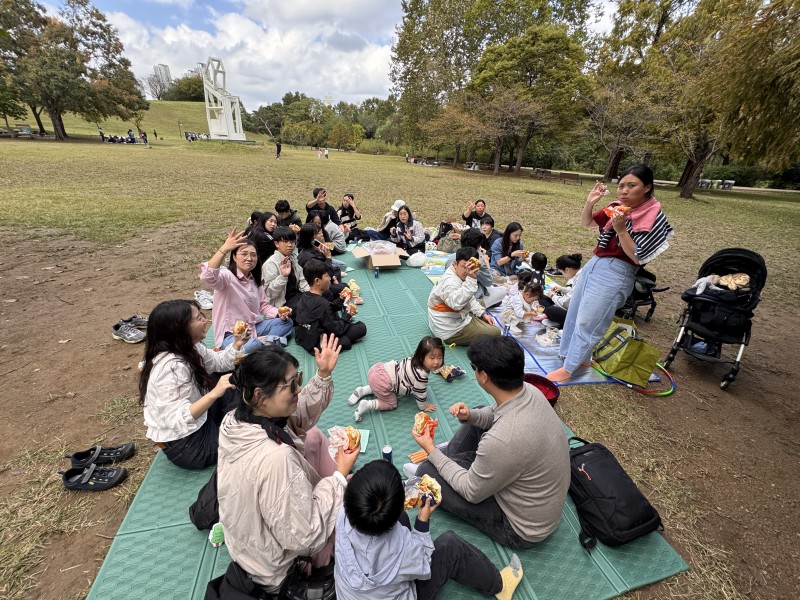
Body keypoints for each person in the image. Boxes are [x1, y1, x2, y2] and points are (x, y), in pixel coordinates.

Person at [213, 336, 361, 596]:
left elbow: (297, 414)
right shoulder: (275, 458)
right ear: (260, 395)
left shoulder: (237, 419)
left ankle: (341, 487)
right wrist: (339, 476)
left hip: (251, 537)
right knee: (359, 517)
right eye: (292, 386)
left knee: (312, 436)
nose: (298, 391)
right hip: (276, 568)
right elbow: (306, 537)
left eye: (299, 380)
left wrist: (323, 376)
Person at [411, 336, 570, 548]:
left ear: (484, 376)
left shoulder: (502, 439)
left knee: (426, 471)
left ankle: (448, 464)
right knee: (477, 415)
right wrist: (470, 416)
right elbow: (495, 414)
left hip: (521, 527)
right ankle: (451, 463)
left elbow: (471, 491)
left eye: (474, 368)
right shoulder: (530, 391)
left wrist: (430, 449)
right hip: (532, 493)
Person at [546, 165, 674, 383]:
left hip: (618, 271)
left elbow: (637, 257)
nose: (623, 191)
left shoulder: (653, 218)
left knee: (590, 321)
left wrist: (622, 229)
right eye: (621, 185)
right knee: (576, 313)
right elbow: (587, 222)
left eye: (631, 185)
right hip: (596, 263)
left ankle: (569, 370)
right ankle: (577, 357)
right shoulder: (618, 208)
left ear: (647, 187)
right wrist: (590, 201)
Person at [334, 459, 524, 600]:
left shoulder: (342, 511)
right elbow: (423, 563)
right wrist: (423, 521)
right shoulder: (405, 551)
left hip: (352, 593)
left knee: (402, 518)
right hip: (403, 585)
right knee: (451, 546)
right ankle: (501, 585)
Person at [139, 299, 246, 469]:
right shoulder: (171, 368)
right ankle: (231, 424)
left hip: (198, 423)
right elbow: (177, 419)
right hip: (188, 446)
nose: (205, 320)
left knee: (234, 381)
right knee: (249, 433)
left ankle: (229, 420)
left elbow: (218, 363)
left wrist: (237, 344)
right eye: (198, 318)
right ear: (181, 328)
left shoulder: (191, 347)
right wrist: (214, 393)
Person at [199, 229, 293, 351]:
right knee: (253, 344)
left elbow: (264, 307)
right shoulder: (227, 277)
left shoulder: (254, 280)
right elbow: (208, 277)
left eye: (253, 255)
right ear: (234, 257)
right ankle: (269, 344)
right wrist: (224, 249)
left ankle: (264, 345)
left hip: (253, 328)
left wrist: (279, 313)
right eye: (244, 254)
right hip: (231, 335)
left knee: (286, 323)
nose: (249, 258)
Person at [348, 336, 443, 423]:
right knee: (391, 403)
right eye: (432, 358)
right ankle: (368, 405)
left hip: (378, 370)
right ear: (422, 357)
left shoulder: (413, 358)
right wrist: (424, 406)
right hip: (383, 381)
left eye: (440, 357)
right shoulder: (421, 376)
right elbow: (420, 394)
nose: (436, 362)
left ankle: (363, 390)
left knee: (381, 385)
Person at [428, 247, 500, 346]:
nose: (467, 271)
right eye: (463, 267)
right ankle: (477, 326)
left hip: (450, 318)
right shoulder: (450, 282)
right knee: (496, 333)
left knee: (480, 304)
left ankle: (479, 321)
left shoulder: (456, 272)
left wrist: (483, 314)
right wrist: (471, 279)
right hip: (449, 330)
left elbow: (470, 298)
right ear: (455, 264)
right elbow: (456, 304)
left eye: (470, 267)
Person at [295, 259, 367, 354]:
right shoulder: (322, 303)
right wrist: (348, 315)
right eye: (327, 276)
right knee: (361, 328)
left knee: (336, 317)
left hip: (304, 337)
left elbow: (324, 311)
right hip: (317, 342)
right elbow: (337, 330)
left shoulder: (305, 296)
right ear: (317, 281)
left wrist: (340, 299)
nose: (330, 279)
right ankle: (335, 344)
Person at [445, 228, 505, 309]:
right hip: (469, 298)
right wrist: (487, 265)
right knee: (502, 291)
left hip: (452, 296)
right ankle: (479, 306)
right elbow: (488, 282)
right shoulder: (478, 261)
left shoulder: (451, 258)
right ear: (478, 245)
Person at [262, 226, 309, 314]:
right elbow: (270, 294)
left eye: (292, 242)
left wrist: (311, 293)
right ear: (276, 244)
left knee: (322, 296)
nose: (290, 245)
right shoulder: (270, 264)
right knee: (310, 307)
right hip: (282, 302)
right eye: (285, 241)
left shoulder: (293, 258)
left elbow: (302, 280)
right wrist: (283, 277)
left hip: (296, 295)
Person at [296, 223, 347, 300]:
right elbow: (324, 274)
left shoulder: (314, 248)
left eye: (320, 231)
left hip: (321, 280)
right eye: (318, 233)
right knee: (345, 287)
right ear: (311, 238)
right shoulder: (309, 257)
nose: (321, 234)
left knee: (337, 269)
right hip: (316, 288)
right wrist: (328, 257)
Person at [542, 254, 583, 329]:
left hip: (575, 314)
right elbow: (573, 292)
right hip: (570, 306)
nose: (563, 275)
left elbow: (565, 303)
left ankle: (561, 323)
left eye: (562, 272)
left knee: (550, 310)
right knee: (543, 299)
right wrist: (563, 289)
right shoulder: (579, 275)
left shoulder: (580, 280)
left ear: (567, 270)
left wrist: (552, 296)